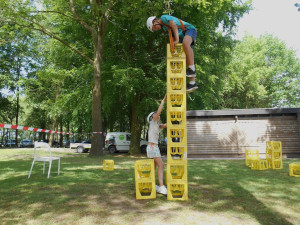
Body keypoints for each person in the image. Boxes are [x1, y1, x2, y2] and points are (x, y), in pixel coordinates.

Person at [146, 15, 198, 93]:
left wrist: (177, 40)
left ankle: (192, 70)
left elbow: (174, 25)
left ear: (155, 21)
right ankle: (192, 83)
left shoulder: (163, 18)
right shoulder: (165, 28)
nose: (155, 30)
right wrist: (172, 49)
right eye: (154, 29)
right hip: (185, 34)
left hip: (189, 29)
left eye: (154, 27)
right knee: (186, 55)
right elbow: (173, 36)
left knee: (185, 43)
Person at [146, 94, 167, 195]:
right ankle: (161, 186)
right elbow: (159, 111)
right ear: (152, 117)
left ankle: (153, 185)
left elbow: (166, 125)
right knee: (161, 165)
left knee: (154, 167)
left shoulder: (157, 125)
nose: (157, 114)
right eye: (154, 113)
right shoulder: (152, 122)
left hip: (153, 147)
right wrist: (163, 101)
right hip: (152, 147)